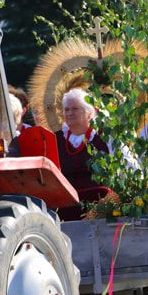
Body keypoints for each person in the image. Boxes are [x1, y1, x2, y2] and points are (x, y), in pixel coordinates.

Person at [54, 88, 114, 220]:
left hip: (102, 208)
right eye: (66, 109)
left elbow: (126, 168)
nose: (69, 113)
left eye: (75, 109)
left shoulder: (106, 137)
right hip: (66, 208)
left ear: (89, 113)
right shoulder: (56, 139)